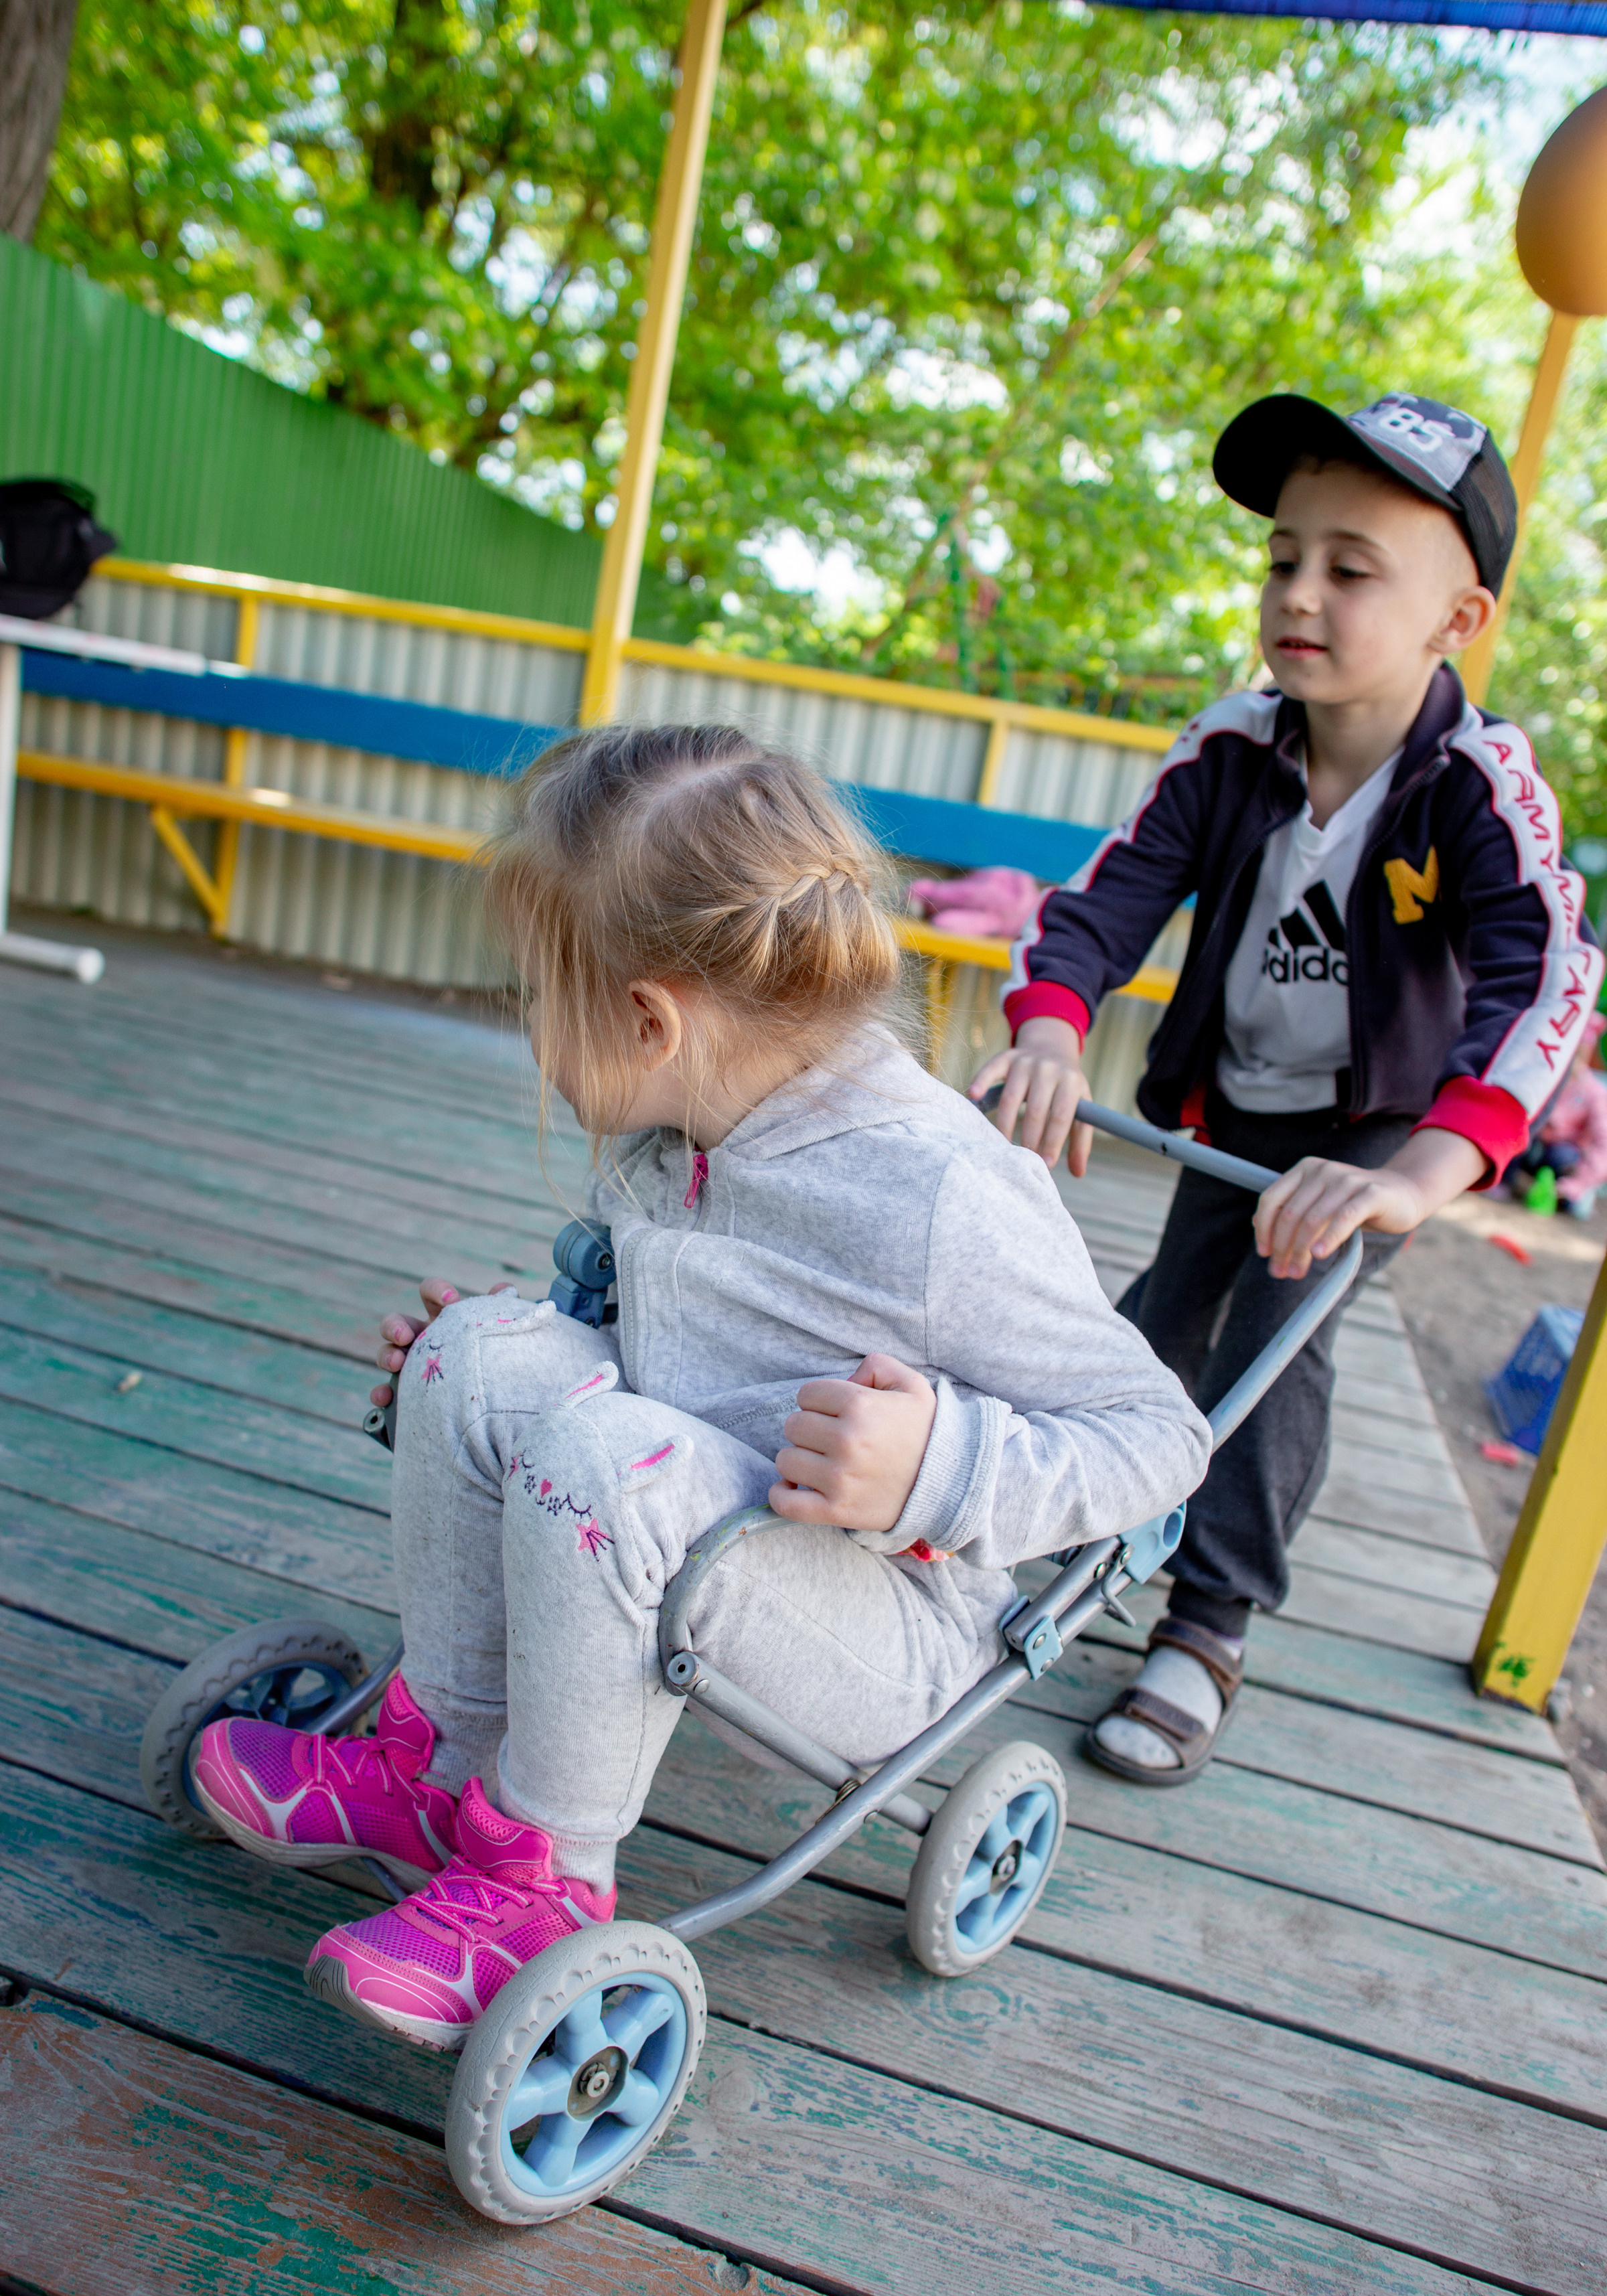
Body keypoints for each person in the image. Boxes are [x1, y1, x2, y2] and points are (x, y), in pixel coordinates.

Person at [189, 724, 1211, 2050]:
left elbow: (1160, 1438)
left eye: (536, 997)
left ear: (649, 1021)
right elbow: (676, 1349)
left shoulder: (939, 1195)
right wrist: (500, 1364)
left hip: (886, 1627)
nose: (531, 1027)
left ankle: (543, 1881)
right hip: (688, 1516)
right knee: (477, 1352)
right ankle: (435, 1766)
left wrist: (940, 1464)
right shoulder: (695, 1121)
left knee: (606, 1461)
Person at [975, 391, 1603, 1786]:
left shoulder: (1476, 786)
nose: (1298, 593)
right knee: (1155, 1321)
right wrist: (1053, 1031)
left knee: (1273, 1335)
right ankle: (1076, 1528)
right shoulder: (1233, 748)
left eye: (1351, 569)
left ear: (1458, 620)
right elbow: (1106, 897)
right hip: (1238, 1104)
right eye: (1282, 558)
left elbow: (1549, 979)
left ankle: (1208, 1625)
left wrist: (1421, 1173)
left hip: (1372, 1134)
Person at [1502, 1009, 1607, 1219]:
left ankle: (1568, 1194)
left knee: (1563, 1157)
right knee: (1518, 1131)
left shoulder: (1594, 1092)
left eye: (1579, 1053)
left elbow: (1603, 1144)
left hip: (1562, 1156)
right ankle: (1505, 1181)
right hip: (1533, 1147)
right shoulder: (1542, 1076)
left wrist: (1574, 1186)